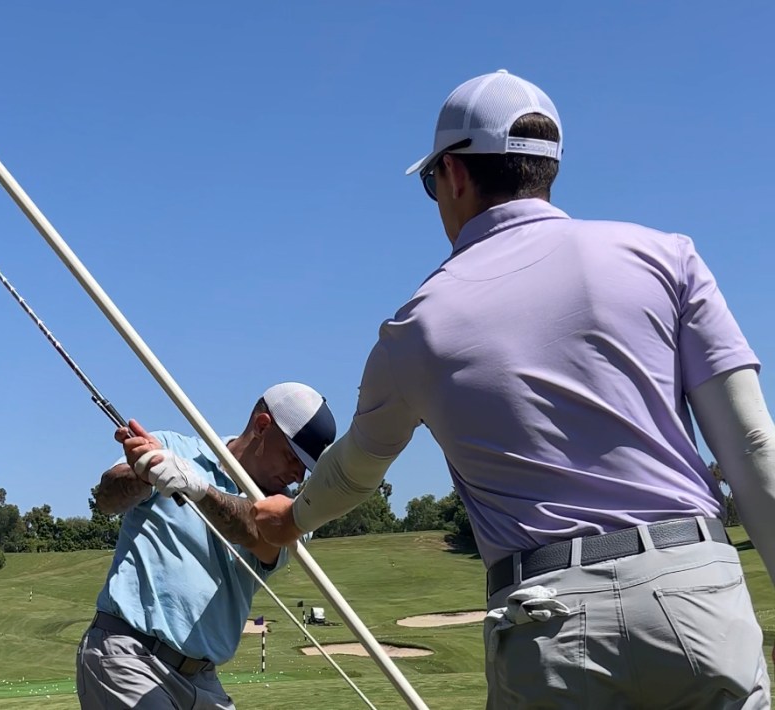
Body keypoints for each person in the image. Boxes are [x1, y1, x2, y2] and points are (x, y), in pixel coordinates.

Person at [254, 69, 775, 708]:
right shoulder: (667, 258)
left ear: (455, 175)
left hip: (550, 619)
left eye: (430, 184)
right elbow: (752, 447)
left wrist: (294, 517)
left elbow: (356, 470)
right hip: (696, 592)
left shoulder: (417, 325)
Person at [75, 382, 336, 710]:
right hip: (129, 656)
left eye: (306, 468)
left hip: (203, 681)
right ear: (262, 426)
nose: (297, 476)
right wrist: (142, 476)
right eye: (291, 458)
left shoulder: (290, 515)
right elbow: (106, 500)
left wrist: (198, 489)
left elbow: (254, 531)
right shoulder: (171, 448)